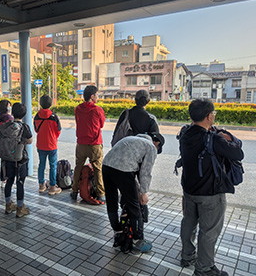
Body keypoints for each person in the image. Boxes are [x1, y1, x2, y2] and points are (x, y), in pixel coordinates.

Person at [179, 99, 244, 276]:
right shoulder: (213, 138)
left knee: (189, 222)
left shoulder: (185, 132)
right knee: (208, 231)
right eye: (213, 113)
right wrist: (230, 139)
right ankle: (204, 269)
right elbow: (238, 153)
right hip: (210, 194)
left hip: (189, 190)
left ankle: (187, 256)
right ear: (208, 116)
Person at [102, 133, 164, 253]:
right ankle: (138, 240)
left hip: (106, 166)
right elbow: (145, 172)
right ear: (157, 144)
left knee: (111, 201)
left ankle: (117, 231)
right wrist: (143, 193)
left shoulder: (132, 139)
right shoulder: (151, 147)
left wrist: (139, 190)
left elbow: (133, 172)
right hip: (123, 170)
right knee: (134, 206)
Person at [70, 85, 106, 203]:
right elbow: (101, 125)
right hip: (94, 144)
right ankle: (100, 194)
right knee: (97, 169)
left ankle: (74, 191)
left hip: (81, 144)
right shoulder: (98, 110)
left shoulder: (77, 109)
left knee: (78, 167)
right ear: (92, 96)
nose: (97, 97)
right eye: (96, 95)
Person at [2, 103, 33, 218]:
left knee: (9, 181)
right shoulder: (24, 127)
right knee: (20, 183)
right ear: (24, 114)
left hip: (7, 158)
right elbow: (30, 141)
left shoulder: (6, 126)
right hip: (20, 160)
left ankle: (8, 205)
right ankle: (20, 208)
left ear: (12, 112)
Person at [34, 95, 62, 195]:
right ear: (50, 104)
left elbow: (36, 130)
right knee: (53, 166)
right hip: (52, 145)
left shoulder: (37, 116)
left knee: (41, 165)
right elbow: (58, 131)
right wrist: (53, 138)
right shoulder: (54, 117)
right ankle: (52, 187)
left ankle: (41, 185)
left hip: (41, 145)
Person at [0, 99, 13, 187]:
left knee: (3, 161)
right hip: (8, 143)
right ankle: (7, 180)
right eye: (8, 105)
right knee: (8, 162)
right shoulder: (8, 118)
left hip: (0, 142)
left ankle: (3, 179)